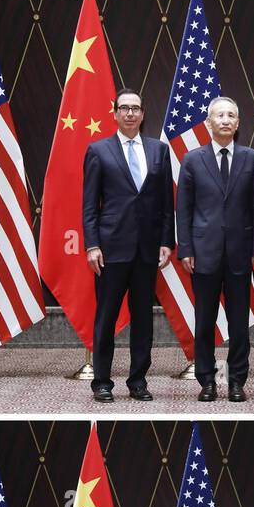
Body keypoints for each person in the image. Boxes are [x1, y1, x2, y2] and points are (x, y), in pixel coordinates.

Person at [82, 88, 174, 404]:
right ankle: (102, 382)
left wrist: (166, 241)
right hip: (110, 250)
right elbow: (90, 205)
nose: (130, 113)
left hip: (147, 250)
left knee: (143, 319)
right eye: (124, 108)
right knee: (106, 318)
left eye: (135, 108)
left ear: (143, 113)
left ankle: (138, 381)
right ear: (115, 113)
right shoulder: (98, 150)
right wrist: (92, 244)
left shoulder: (159, 151)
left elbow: (166, 204)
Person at [176, 96, 254, 402]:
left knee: (240, 322)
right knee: (204, 321)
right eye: (220, 115)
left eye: (231, 115)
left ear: (238, 124)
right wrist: (185, 248)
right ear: (208, 123)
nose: (226, 120)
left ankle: (237, 379)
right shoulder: (192, 159)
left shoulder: (252, 158)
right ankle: (207, 380)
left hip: (241, 253)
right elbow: (183, 209)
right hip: (203, 254)